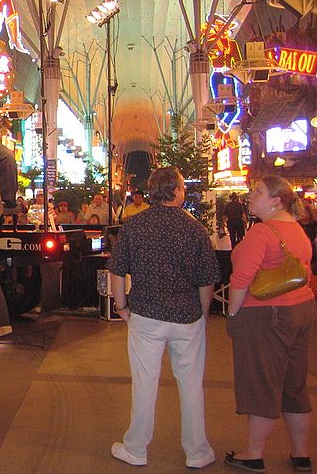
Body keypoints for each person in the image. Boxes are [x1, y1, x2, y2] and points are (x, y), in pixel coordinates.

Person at [107, 167, 220, 469]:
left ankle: (135, 448)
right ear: (177, 191)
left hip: (145, 315)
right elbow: (206, 280)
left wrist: (121, 307)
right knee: (191, 384)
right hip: (186, 317)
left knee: (144, 383)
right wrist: (203, 313)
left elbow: (117, 270)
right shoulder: (195, 229)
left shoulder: (134, 226)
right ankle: (197, 452)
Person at [224, 175, 316, 473]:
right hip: (300, 309)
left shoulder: (263, 232)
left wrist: (234, 315)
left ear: (275, 201)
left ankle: (253, 454)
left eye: (258, 191)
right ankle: (301, 453)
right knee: (294, 384)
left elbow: (241, 279)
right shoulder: (297, 231)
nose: (251, 195)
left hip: (266, 316)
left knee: (262, 383)